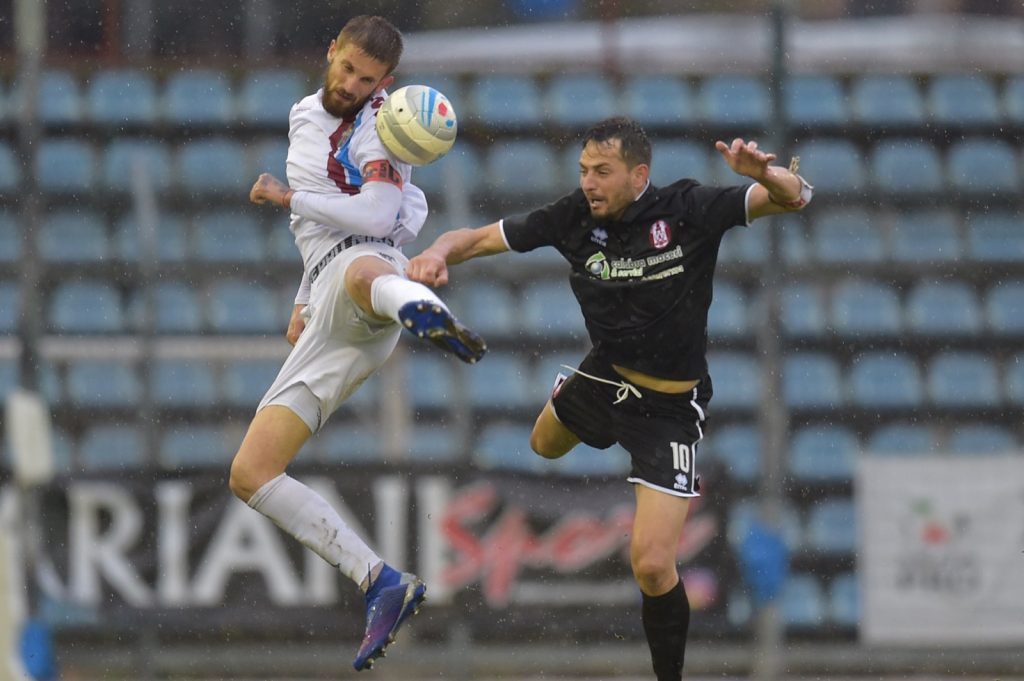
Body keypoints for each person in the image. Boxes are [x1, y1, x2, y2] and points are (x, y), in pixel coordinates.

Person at [406, 116, 812, 680]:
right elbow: (475, 238)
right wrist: (436, 252)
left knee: (652, 565)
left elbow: (795, 197)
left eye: (602, 171)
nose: (589, 183)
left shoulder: (688, 209)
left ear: (638, 175)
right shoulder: (573, 216)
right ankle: (572, 395)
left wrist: (765, 174)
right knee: (544, 446)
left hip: (669, 410)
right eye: (583, 170)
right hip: (606, 376)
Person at [228, 15, 486, 673]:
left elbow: (373, 217)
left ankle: (425, 310)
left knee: (366, 269)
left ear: (386, 83)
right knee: (252, 473)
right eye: (347, 69)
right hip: (331, 302)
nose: (351, 85)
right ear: (331, 51)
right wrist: (302, 295)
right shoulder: (305, 115)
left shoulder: (382, 125)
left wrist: (288, 197)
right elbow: (321, 232)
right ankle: (380, 580)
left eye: (367, 80)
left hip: (365, 271)